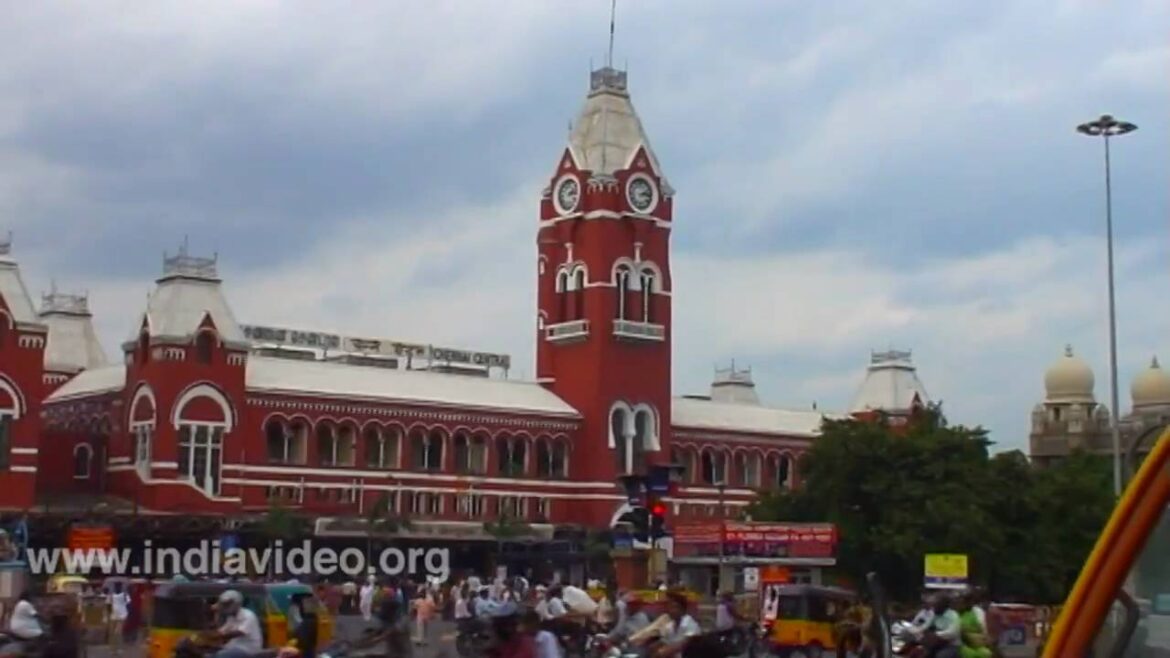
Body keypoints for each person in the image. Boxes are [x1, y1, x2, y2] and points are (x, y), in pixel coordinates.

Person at [213, 590, 264, 658]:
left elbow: (239, 632)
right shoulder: (231, 617)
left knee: (222, 656)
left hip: (249, 648)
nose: (225, 606)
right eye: (224, 604)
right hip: (235, 646)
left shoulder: (248, 615)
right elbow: (222, 630)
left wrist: (218, 636)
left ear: (236, 603)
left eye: (228, 604)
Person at [653, 591, 700, 658]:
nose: (671, 610)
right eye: (669, 607)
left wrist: (661, 653)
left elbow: (683, 645)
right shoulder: (669, 626)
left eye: (675, 607)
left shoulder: (691, 624)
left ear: (683, 609)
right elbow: (663, 642)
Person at [288, 593, 318, 658]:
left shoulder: (299, 609)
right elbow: (298, 620)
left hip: (299, 636)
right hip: (297, 635)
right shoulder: (294, 608)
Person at [108, 582, 131, 656]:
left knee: (118, 632)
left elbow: (129, 605)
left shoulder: (125, 595)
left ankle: (119, 648)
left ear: (121, 587)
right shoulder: (111, 595)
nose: (117, 588)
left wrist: (127, 615)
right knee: (112, 633)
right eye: (116, 586)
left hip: (122, 615)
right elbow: (108, 605)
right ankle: (113, 649)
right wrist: (109, 614)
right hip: (113, 615)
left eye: (119, 586)